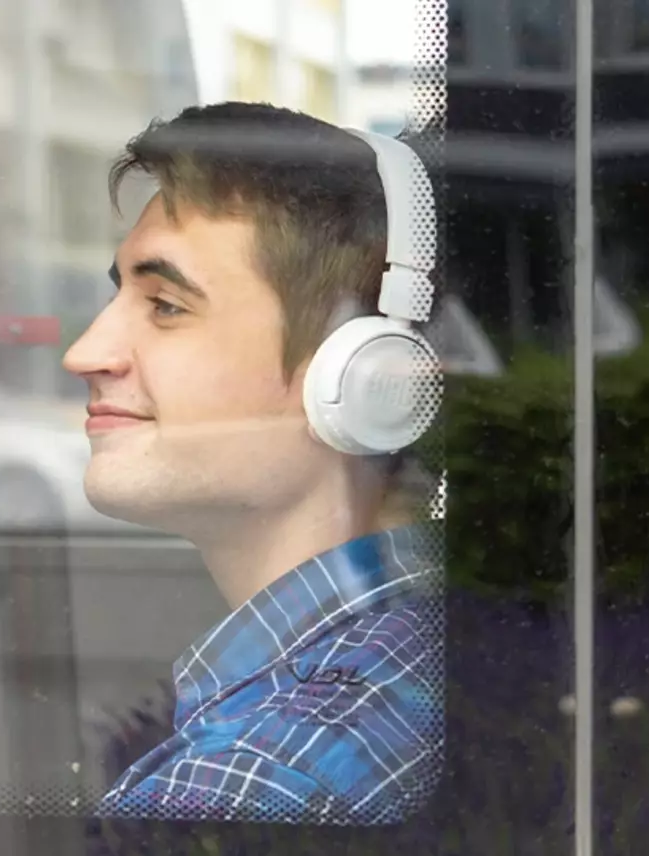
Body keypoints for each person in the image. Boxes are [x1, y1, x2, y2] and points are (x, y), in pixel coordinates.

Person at [63, 102, 444, 825]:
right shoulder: (444, 641)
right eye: (119, 295)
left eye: (167, 305)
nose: (85, 353)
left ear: (367, 376)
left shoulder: (247, 786)